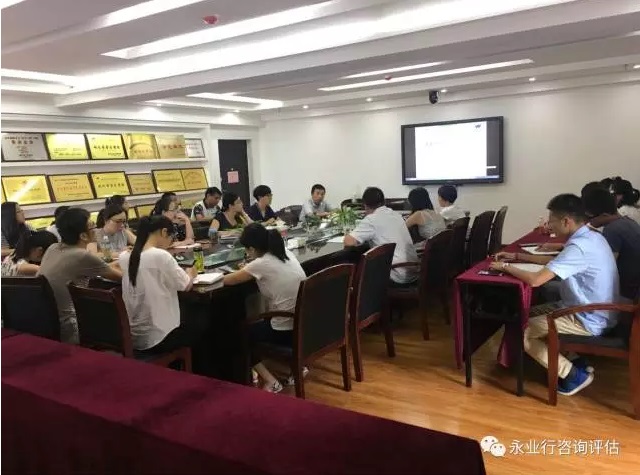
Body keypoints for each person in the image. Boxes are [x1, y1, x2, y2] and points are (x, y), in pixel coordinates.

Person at [490, 194, 619, 396]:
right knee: (525, 314)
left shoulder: (579, 248)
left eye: (552, 221)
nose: (550, 226)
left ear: (566, 221)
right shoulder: (591, 237)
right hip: (591, 309)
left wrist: (505, 267)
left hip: (587, 317)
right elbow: (555, 262)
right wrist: (516, 256)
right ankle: (576, 360)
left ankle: (572, 375)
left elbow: (536, 280)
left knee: (521, 330)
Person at [223, 223, 306, 393]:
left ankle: (271, 382)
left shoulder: (261, 264)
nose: (247, 254)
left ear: (252, 249)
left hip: (285, 328)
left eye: (247, 250)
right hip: (303, 322)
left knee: (239, 333)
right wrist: (249, 268)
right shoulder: (284, 252)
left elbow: (228, 280)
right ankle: (299, 367)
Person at [118, 216, 207, 354]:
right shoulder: (160, 255)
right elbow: (185, 285)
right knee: (205, 319)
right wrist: (191, 274)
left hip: (134, 337)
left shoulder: (124, 256)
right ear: (164, 232)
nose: (171, 242)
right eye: (171, 237)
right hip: (161, 337)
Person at [37, 208, 122, 343]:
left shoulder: (53, 248)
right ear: (83, 236)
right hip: (70, 326)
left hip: (45, 322)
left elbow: (95, 268)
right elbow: (121, 277)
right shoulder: (82, 255)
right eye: (92, 226)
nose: (96, 229)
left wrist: (113, 264)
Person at [344, 187, 418, 284]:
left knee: (356, 270)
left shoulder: (371, 219)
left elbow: (348, 241)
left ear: (365, 205)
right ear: (384, 201)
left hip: (396, 274)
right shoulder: (396, 215)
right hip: (413, 270)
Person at [583, 187, 640, 300]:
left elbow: (604, 267)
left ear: (604, 215)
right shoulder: (629, 222)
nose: (588, 222)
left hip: (625, 294)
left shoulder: (612, 230)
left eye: (589, 218)